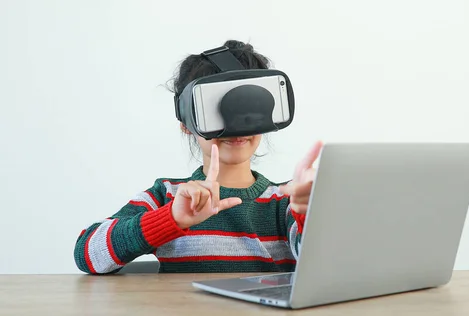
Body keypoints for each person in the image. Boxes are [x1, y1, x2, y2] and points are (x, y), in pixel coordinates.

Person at [74, 40, 322, 274]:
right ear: (185, 122)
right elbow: (87, 254)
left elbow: (318, 267)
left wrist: (306, 214)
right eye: (215, 108)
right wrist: (170, 218)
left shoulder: (285, 202)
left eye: (248, 105)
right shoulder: (168, 196)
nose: (236, 121)